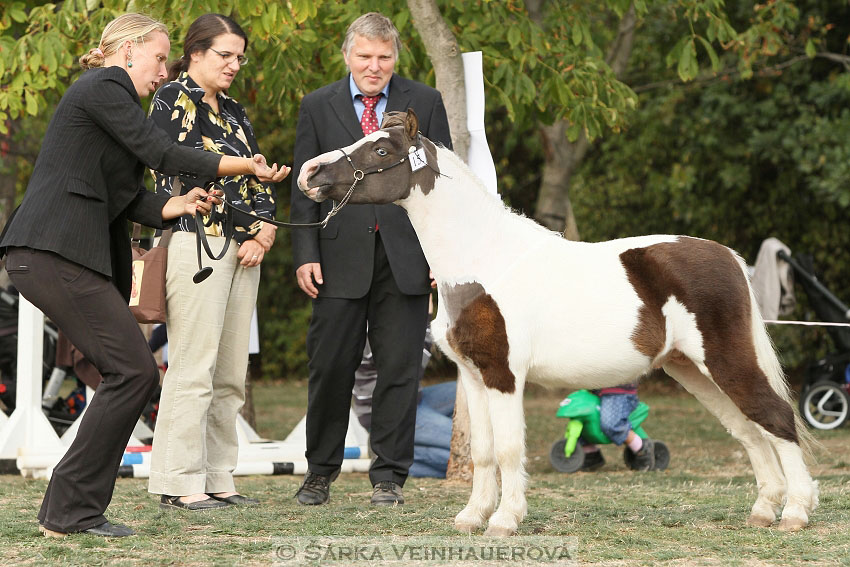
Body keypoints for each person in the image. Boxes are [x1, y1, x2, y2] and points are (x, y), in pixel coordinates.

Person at [0, 13, 287, 537]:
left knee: (130, 372)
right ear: (127, 49)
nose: (163, 69)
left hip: (59, 255)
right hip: (52, 251)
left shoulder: (111, 102)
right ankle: (71, 510)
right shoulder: (104, 85)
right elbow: (162, 151)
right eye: (159, 57)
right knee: (133, 372)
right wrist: (241, 166)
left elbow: (128, 197)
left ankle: (67, 510)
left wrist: (179, 203)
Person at [289, 12, 452, 506]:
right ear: (348, 56)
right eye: (364, 56)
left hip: (407, 259)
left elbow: (438, 182)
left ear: (395, 57)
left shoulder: (423, 101)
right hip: (337, 258)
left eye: (383, 57)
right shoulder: (318, 106)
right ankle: (319, 474)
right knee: (330, 368)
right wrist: (304, 254)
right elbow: (305, 188)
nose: (374, 66)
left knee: (400, 370)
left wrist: (437, 256)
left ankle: (389, 478)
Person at [146, 13, 281, 512]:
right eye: (225, 54)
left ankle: (218, 476)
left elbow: (258, 177)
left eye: (239, 57)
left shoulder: (236, 111)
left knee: (229, 374)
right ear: (196, 52)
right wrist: (246, 172)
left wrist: (265, 228)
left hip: (245, 251)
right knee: (192, 366)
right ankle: (178, 480)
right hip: (194, 240)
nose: (234, 65)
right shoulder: (170, 100)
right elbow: (176, 161)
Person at [353, 325, 455, 478]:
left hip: (415, 399)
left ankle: (395, 448)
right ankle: (391, 453)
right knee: (464, 447)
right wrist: (425, 318)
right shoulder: (372, 325)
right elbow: (410, 371)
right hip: (390, 411)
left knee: (466, 392)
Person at [582, 383, 655, 471]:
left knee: (612, 424)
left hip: (617, 391)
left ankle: (642, 448)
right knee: (586, 418)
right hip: (595, 389)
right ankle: (590, 453)